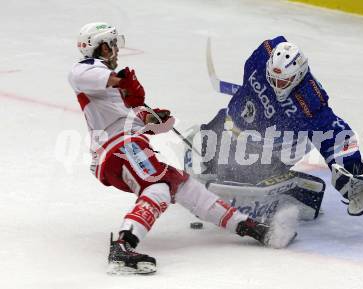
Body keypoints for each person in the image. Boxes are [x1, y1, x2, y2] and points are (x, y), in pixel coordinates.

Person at [68, 23, 296, 275]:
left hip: (130, 146)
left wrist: (152, 118)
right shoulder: (84, 70)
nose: (115, 50)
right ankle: (122, 246)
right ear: (96, 47)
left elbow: (132, 115)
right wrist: (123, 83)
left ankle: (250, 227)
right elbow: (98, 81)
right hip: (119, 148)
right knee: (157, 187)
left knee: (186, 186)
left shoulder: (109, 87)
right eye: (110, 45)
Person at [185, 36, 363, 220]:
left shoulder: (309, 100)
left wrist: (354, 172)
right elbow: (248, 87)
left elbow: (337, 135)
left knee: (239, 175)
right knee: (209, 145)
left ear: (299, 75)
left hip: (273, 148)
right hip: (236, 127)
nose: (276, 84)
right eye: (272, 78)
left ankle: (294, 189)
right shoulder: (262, 55)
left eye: (283, 81)